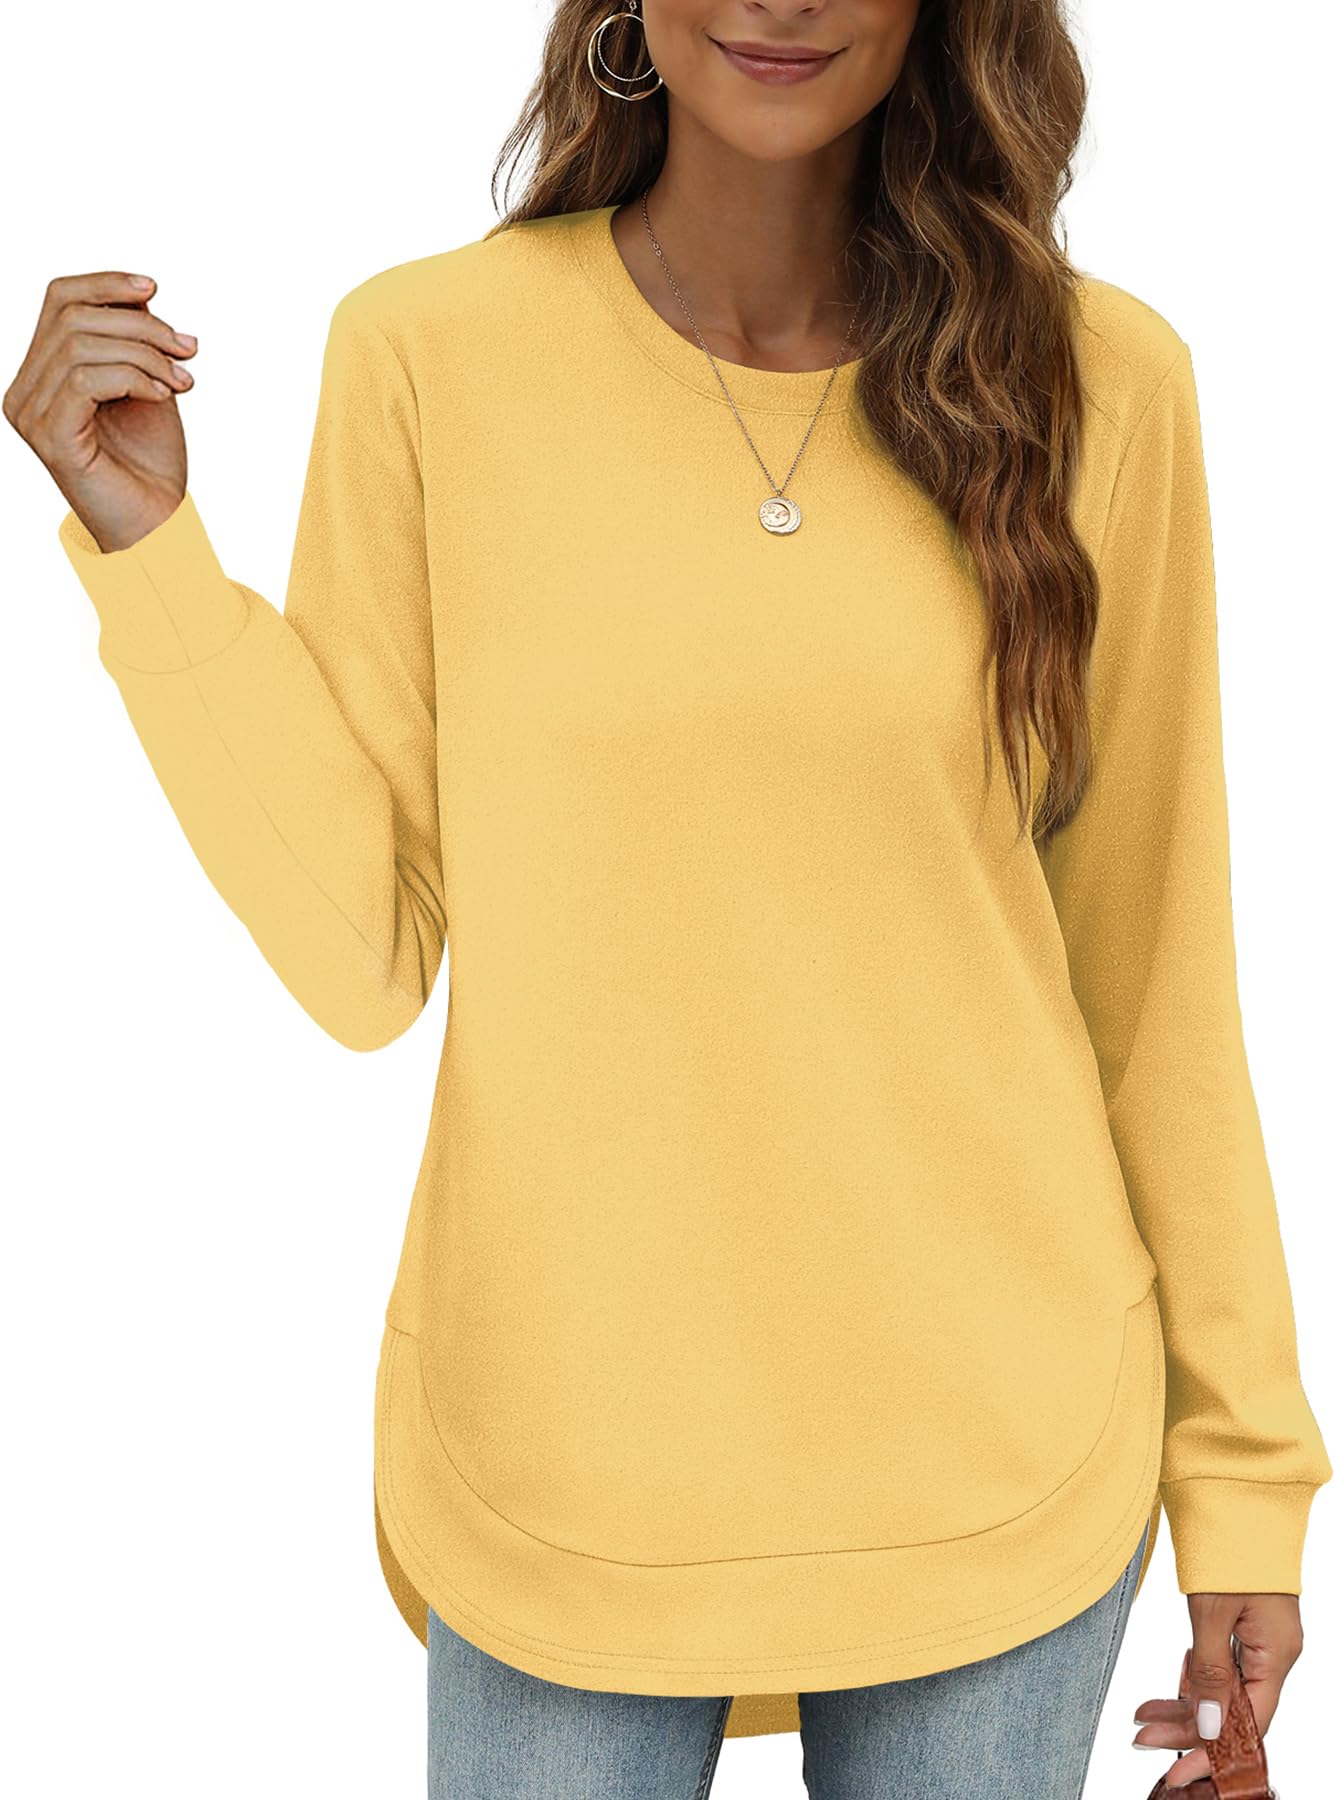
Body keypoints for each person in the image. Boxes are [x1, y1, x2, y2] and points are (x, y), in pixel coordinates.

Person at [6, 3, 1329, 1795]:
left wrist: (1246, 1485)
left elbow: (1159, 981)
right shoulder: (428, 356)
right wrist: (147, 551)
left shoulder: (1102, 384)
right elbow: (360, 954)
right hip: (563, 1460)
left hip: (999, 1449)